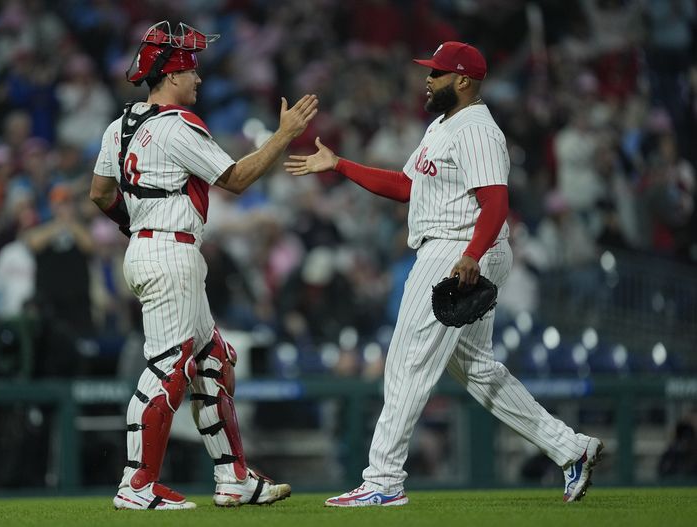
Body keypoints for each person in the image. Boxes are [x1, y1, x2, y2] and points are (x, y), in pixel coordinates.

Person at [285, 41, 603, 506]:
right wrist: (340, 165)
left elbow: (497, 202)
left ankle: (384, 480)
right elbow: (406, 186)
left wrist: (473, 254)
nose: (427, 79)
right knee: (476, 368)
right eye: (429, 72)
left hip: (459, 247)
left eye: (436, 73)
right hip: (456, 245)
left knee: (407, 360)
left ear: (464, 80)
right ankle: (571, 448)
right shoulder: (442, 125)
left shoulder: (477, 128)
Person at [89, 21, 317, 510]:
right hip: (171, 254)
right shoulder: (179, 125)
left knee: (213, 359)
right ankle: (136, 483)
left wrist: (138, 229)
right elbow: (236, 178)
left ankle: (233, 478)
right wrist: (284, 136)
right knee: (169, 368)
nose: (198, 79)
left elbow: (100, 194)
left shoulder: (120, 124)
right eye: (191, 70)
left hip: (149, 249)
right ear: (171, 76)